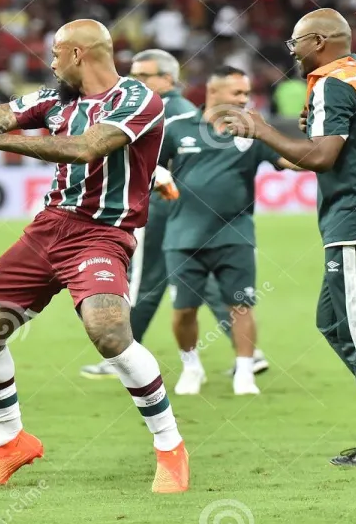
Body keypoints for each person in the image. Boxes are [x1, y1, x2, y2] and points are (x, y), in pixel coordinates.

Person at [0, 20, 190, 493]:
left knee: (108, 332)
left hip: (102, 233)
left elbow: (85, 148)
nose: (50, 64)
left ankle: (170, 447)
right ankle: (10, 441)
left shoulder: (137, 100)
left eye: (55, 54)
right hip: (49, 228)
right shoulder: (53, 100)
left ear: (77, 54)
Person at [216, 9, 356, 466]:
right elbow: (340, 152)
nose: (290, 52)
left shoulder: (332, 83)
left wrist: (263, 130)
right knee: (333, 321)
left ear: (317, 41)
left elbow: (323, 156)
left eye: (295, 43)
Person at [78, 51, 268, 380]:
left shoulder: (165, 112)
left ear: (167, 80)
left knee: (143, 283)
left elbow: (151, 164)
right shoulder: (176, 110)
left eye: (144, 75)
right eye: (133, 73)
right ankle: (250, 353)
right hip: (185, 217)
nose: (134, 80)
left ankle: (121, 356)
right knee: (197, 282)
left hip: (165, 211)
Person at [162, 65, 295, 396]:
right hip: (183, 236)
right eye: (237, 93)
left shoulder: (252, 132)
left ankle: (245, 374)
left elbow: (291, 160)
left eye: (247, 93)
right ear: (214, 92)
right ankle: (191, 367)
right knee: (183, 311)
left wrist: (328, 152)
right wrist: (156, 177)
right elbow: (147, 165)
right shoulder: (177, 128)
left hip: (235, 234)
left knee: (241, 306)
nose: (244, 99)